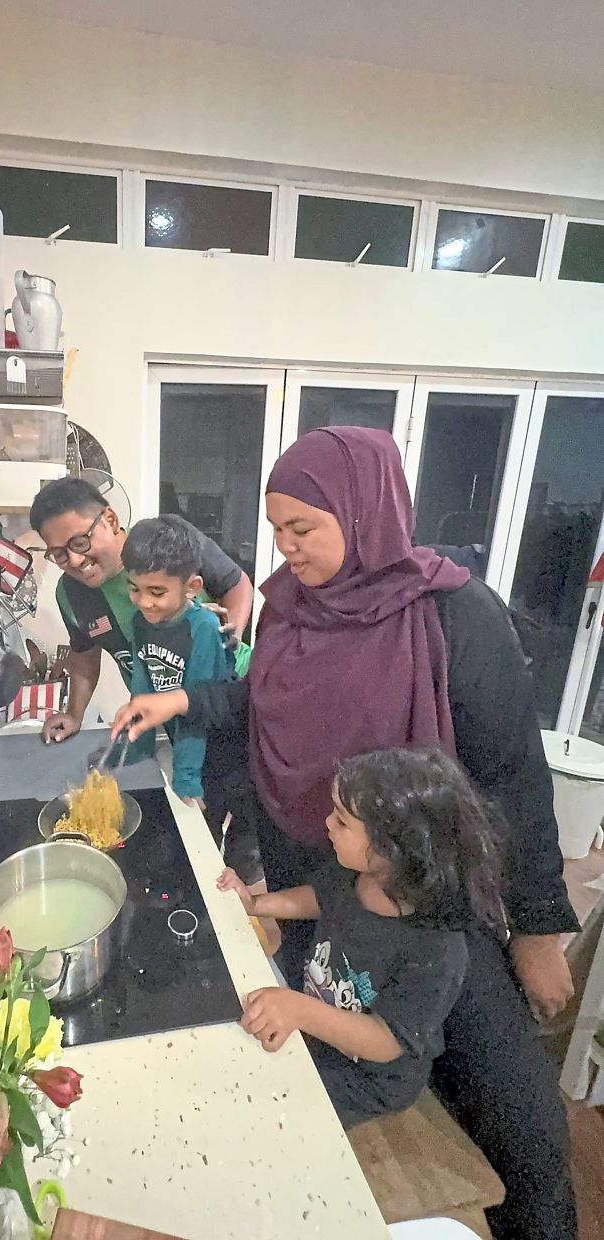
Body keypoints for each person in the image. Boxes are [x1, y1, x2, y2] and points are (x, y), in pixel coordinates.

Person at [113, 427, 578, 1240]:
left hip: (427, 901)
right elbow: (259, 701)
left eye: (304, 530)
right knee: (324, 1086)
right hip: (323, 885)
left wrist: (537, 930)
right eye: (277, 530)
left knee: (520, 1120)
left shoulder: (452, 613)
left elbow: (513, 781)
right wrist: (179, 703)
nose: (285, 549)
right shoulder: (290, 606)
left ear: (365, 513)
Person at [219, 747, 503, 1130]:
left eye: (341, 820)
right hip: (320, 1032)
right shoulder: (357, 875)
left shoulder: (437, 951)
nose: (327, 824)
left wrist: (299, 1010)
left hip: (368, 1079)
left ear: (389, 848)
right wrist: (255, 904)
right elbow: (316, 899)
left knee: (267, 1111)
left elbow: (385, 1041)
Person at [29, 476, 253, 745]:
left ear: (110, 519)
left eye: (79, 543)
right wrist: (74, 714)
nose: (75, 560)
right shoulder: (70, 594)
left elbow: (236, 583)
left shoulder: (165, 540)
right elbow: (85, 656)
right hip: (172, 718)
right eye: (59, 554)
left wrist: (230, 638)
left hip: (234, 696)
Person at [122, 516, 237, 804]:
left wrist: (186, 779)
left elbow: (198, 706)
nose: (144, 602)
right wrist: (138, 748)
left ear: (192, 587)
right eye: (135, 588)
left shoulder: (204, 629)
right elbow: (142, 688)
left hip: (216, 746)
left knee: (203, 820)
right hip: (181, 741)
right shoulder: (141, 621)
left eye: (157, 592)